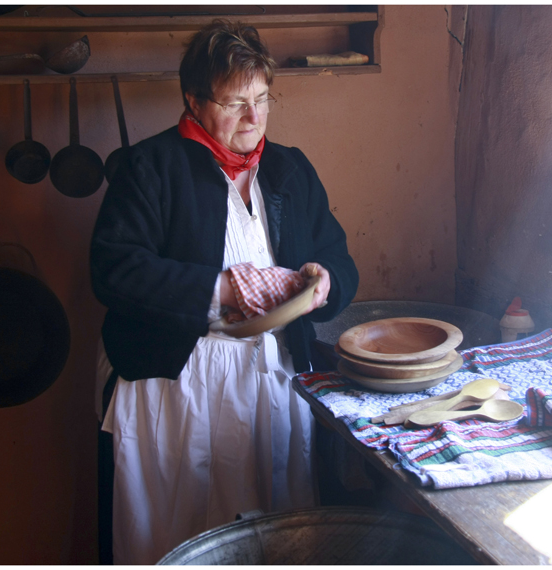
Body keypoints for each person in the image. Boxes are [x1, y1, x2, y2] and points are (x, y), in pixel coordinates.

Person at [90, 20, 358, 565]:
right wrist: (224, 289)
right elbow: (114, 271)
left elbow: (340, 259)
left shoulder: (289, 169)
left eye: (263, 99)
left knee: (276, 540)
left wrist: (325, 281)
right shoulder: (149, 168)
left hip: (271, 383)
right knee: (173, 536)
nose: (254, 117)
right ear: (193, 100)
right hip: (175, 388)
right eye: (236, 102)